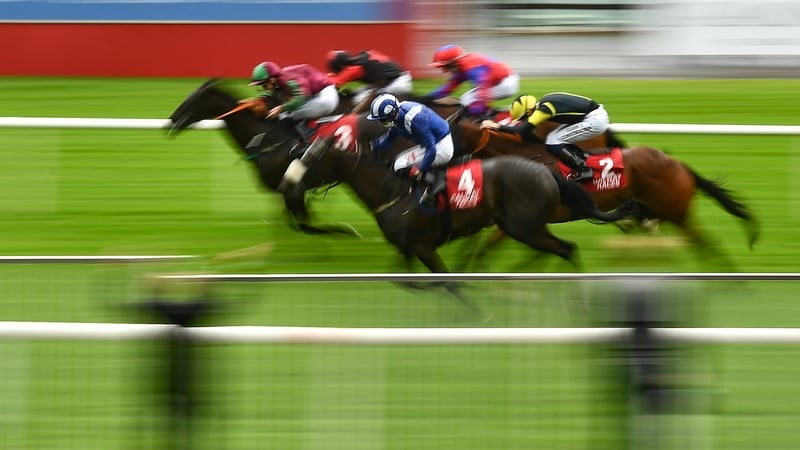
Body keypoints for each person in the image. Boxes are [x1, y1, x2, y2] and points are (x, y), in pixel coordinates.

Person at [481, 92, 609, 182]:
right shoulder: (542, 104)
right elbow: (527, 132)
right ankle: (580, 158)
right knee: (552, 139)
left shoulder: (544, 109)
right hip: (590, 116)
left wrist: (497, 127)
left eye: (524, 118)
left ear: (529, 111)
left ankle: (584, 169)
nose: (525, 120)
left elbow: (522, 130)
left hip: (595, 120)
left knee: (554, 141)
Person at [366, 93, 454, 206]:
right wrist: (370, 146)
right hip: (434, 143)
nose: (380, 122)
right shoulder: (398, 115)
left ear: (392, 114)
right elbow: (388, 141)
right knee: (398, 161)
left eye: (382, 119)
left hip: (441, 147)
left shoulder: (414, 120)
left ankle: (435, 182)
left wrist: (421, 170)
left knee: (399, 166)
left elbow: (431, 149)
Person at [248, 61, 339, 141]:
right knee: (287, 112)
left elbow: (301, 98)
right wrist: (259, 100)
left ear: (272, 79)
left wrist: (282, 108)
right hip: (317, 95)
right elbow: (273, 94)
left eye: (264, 85)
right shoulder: (279, 80)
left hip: (326, 98)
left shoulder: (288, 80)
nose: (264, 88)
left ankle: (306, 143)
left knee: (285, 115)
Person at [422, 44, 519, 118]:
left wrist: (480, 107)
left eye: (445, 67)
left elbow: (484, 87)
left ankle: (485, 118)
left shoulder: (471, 67)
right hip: (499, 81)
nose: (444, 71)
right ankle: (486, 115)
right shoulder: (461, 67)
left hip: (505, 83)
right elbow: (447, 89)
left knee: (468, 100)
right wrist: (426, 98)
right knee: (466, 98)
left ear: (453, 63)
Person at [326, 50, 413, 105]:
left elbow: (333, 82)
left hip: (397, 83)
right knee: (357, 92)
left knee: (357, 100)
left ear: (341, 66)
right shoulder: (360, 58)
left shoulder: (355, 68)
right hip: (398, 79)